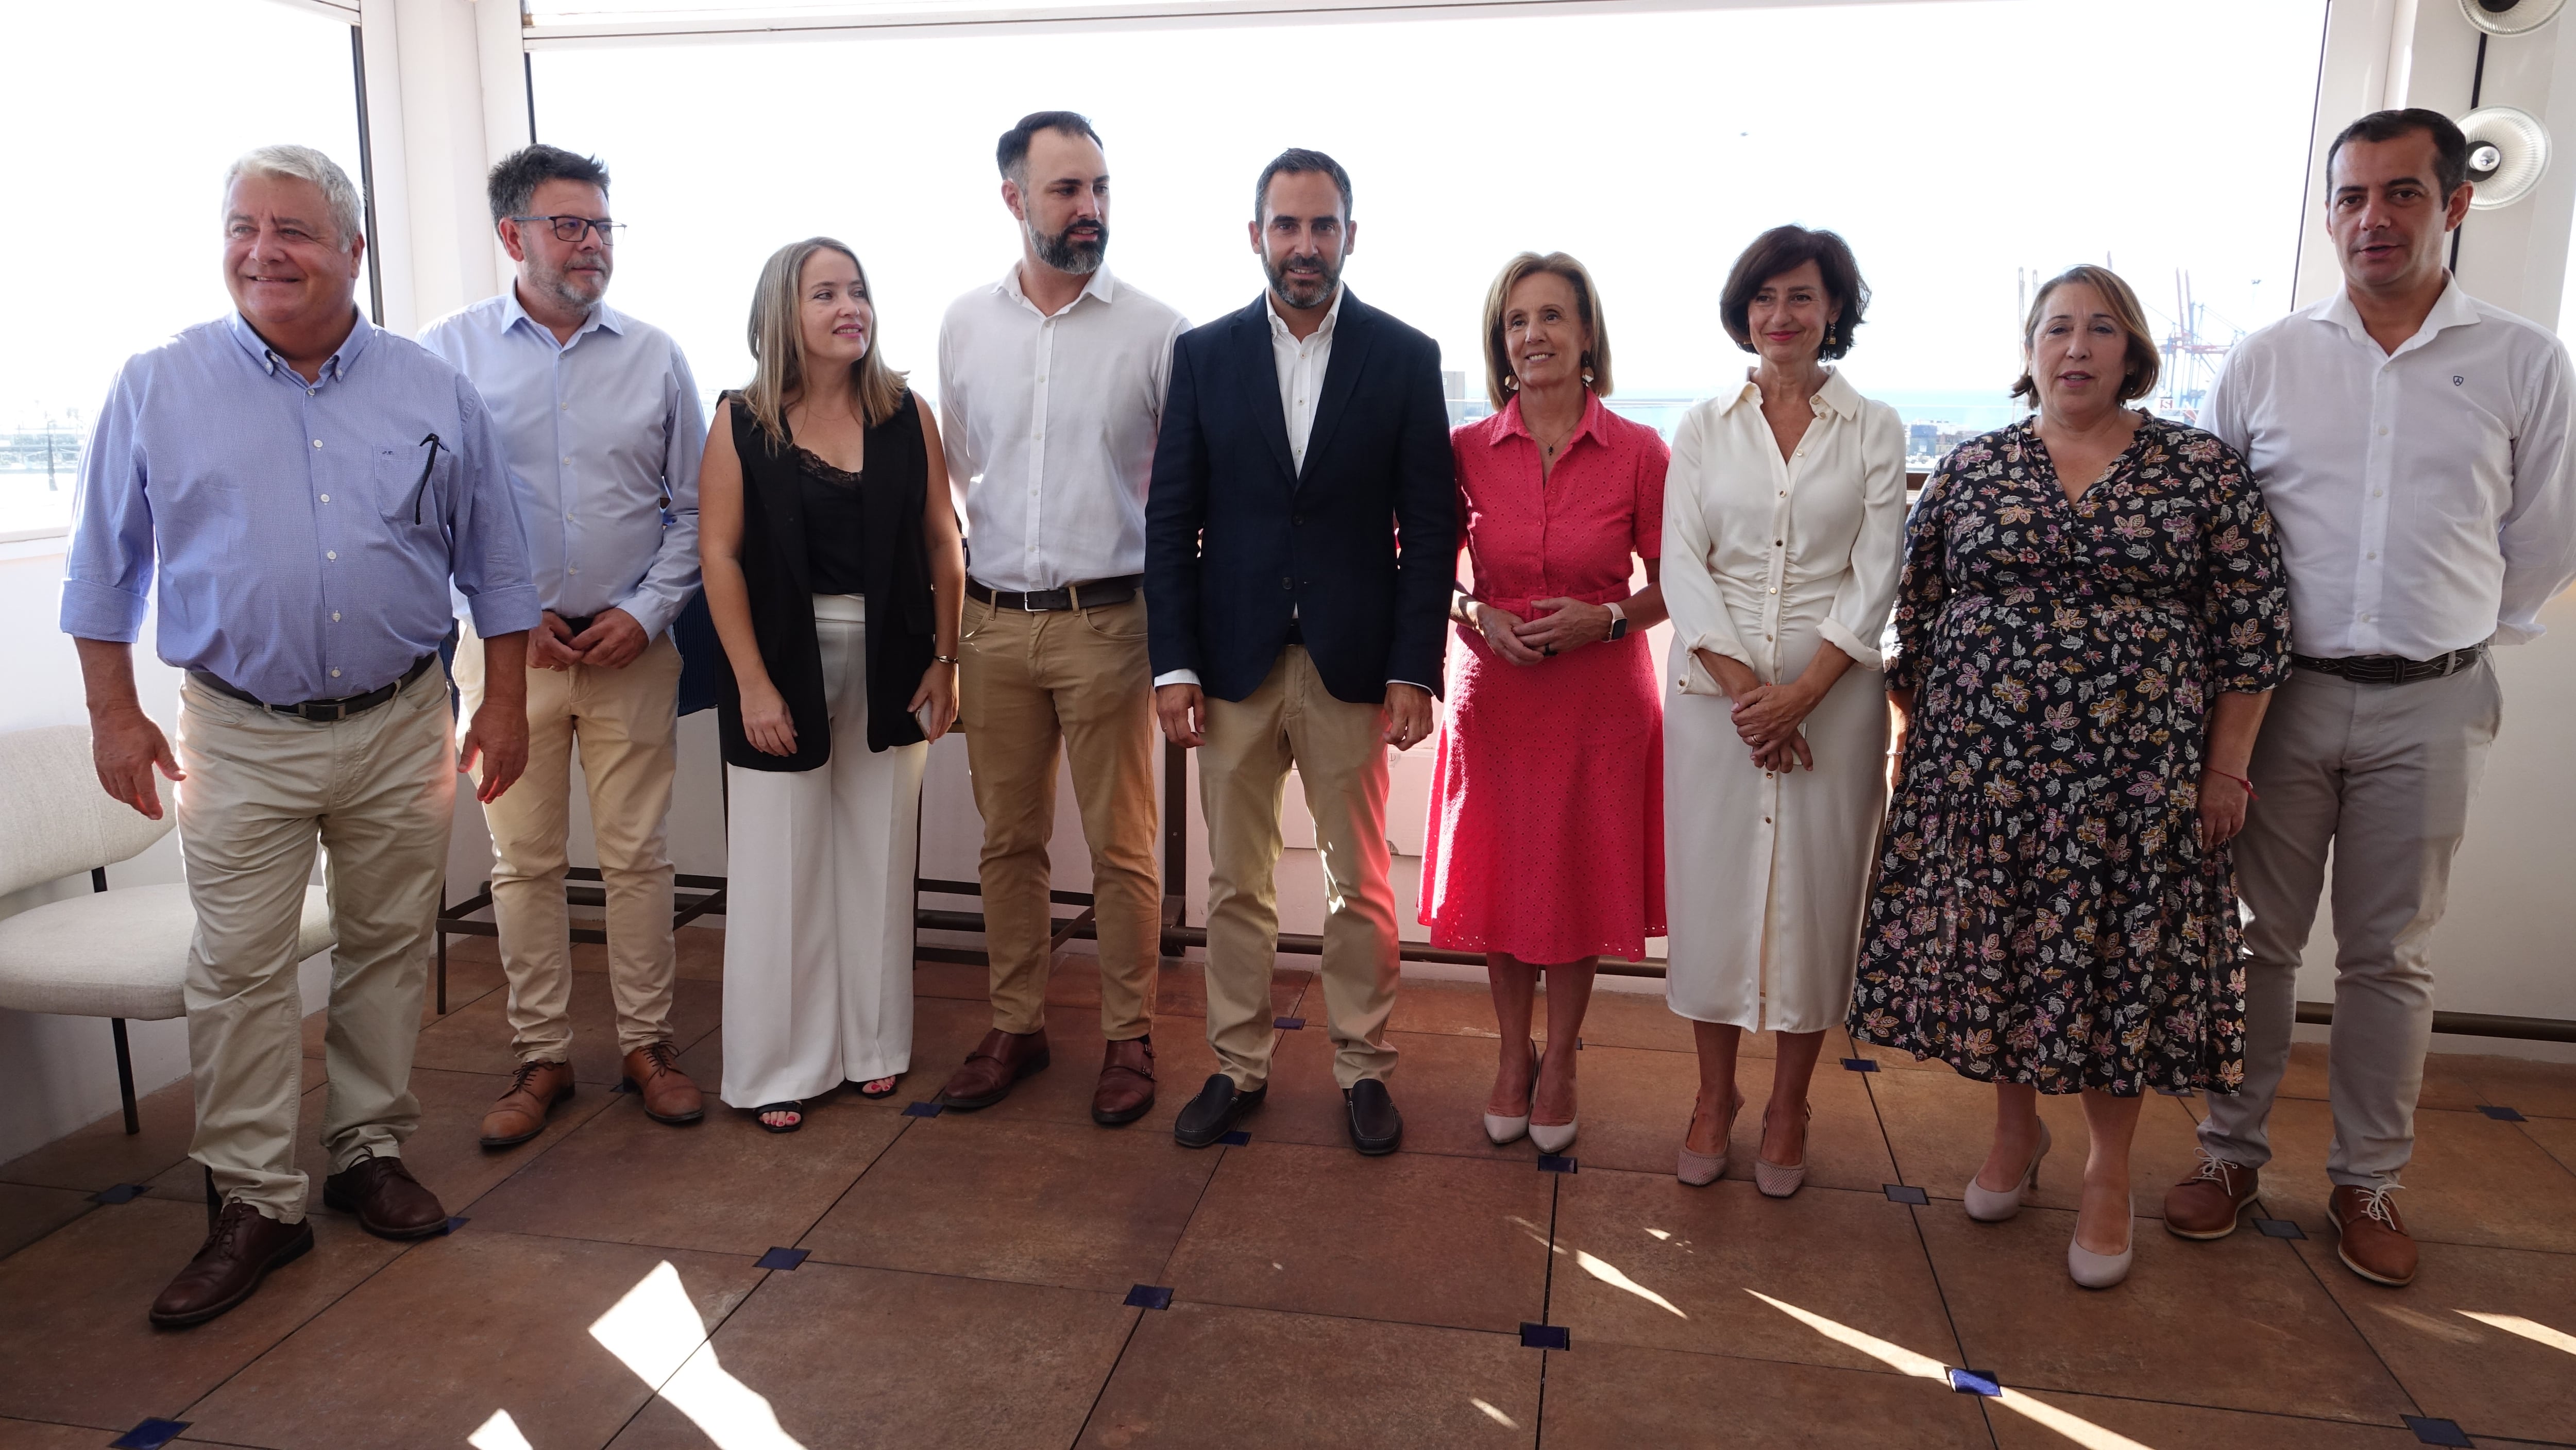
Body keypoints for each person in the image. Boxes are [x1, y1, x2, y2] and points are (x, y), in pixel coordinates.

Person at [62, 145, 537, 1326]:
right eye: (242, 226)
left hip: (400, 724)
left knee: (387, 945)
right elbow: (102, 569)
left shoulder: (433, 391)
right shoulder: (157, 384)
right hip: (235, 730)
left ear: (352, 253)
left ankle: (367, 1149)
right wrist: (114, 715)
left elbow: (499, 562)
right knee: (238, 968)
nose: (262, 251)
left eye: (294, 231)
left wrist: (510, 699)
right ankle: (254, 1201)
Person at [2169, 109, 2576, 1288]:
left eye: (2400, 194)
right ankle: (2229, 1154)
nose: (2370, 219)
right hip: (2281, 700)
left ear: (2452, 205)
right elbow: (2216, 532)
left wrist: (2450, 640)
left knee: (2390, 956)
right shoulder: (2267, 359)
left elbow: (2543, 534)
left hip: (2434, 702)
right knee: (2252, 942)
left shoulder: (2522, 360)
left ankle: (2367, 1181)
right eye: (2350, 197)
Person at [1847, 263, 2290, 1288]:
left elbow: (2253, 633)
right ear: (2028, 350)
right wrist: (1935, 749)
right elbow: (1913, 617)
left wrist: (2223, 773)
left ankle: (2106, 1169)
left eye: (2098, 330)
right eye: (2056, 329)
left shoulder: (2198, 472)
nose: (2076, 348)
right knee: (1999, 957)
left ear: (2133, 351)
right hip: (1988, 780)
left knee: (2112, 974)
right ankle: (2014, 1139)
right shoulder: (1973, 469)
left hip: (2134, 792)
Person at [1144, 148, 1455, 1156]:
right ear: (1256, 237)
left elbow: (1429, 527)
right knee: (1234, 883)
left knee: (1356, 883)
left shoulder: (1405, 358)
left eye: (1323, 226)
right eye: (1287, 225)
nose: (1305, 244)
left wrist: (1414, 668)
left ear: (1350, 236)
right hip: (1230, 667)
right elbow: (1171, 521)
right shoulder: (1203, 356)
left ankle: (1364, 1069)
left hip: (1353, 666)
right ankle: (1236, 1067)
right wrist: (1174, 664)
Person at [418, 144, 708, 1148]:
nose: (591, 244)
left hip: (633, 649)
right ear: (514, 236)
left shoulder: (657, 356)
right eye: (568, 225)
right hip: (509, 661)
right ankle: (540, 1056)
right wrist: (501, 615)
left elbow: (692, 512)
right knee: (523, 864)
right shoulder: (444, 354)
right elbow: (426, 514)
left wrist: (647, 611)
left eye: (601, 226)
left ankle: (648, 1047)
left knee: (638, 859)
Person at [934, 112, 1187, 1126]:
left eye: (1099, 189)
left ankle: (1129, 1039)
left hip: (1111, 626)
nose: (1088, 209)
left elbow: (1181, 508)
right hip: (992, 625)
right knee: (1008, 844)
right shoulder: (963, 325)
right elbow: (947, 485)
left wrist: (1178, 655)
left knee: (1124, 848)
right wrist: (948, 637)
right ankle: (1017, 1024)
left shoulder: (1158, 332)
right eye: (1064, 191)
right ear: (1013, 201)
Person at [698, 237, 965, 1132]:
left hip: (894, 658)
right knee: (781, 862)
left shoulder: (904, 414)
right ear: (786, 312)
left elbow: (942, 544)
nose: (850, 306)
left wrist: (946, 658)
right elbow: (720, 556)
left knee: (878, 852)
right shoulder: (741, 419)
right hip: (781, 663)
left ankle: (874, 1045)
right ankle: (778, 1065)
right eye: (826, 293)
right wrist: (752, 685)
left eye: (858, 291)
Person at [1664, 227, 1905, 1198]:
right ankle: (1712, 1099)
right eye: (1764, 298)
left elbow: (1878, 569)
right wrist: (1751, 700)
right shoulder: (1703, 424)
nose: (1781, 316)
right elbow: (1684, 567)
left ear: (1834, 310)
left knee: (1816, 899)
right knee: (1714, 899)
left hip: (1835, 703)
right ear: (1743, 311)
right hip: (1714, 706)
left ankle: (1791, 1105)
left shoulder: (1875, 426)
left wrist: (1802, 694)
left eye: (1802, 297)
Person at [1423, 251, 1667, 1156]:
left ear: (1588, 332)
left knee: (1575, 879)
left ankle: (1561, 1058)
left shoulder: (1641, 450)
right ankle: (1510, 1055)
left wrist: (1604, 621)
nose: (1535, 335)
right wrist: (1471, 607)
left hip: (1601, 699)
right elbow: (1425, 570)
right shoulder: (1464, 451)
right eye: (1518, 320)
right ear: (1501, 341)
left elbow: (1674, 584)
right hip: (1497, 696)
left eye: (1553, 317)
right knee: (1503, 878)